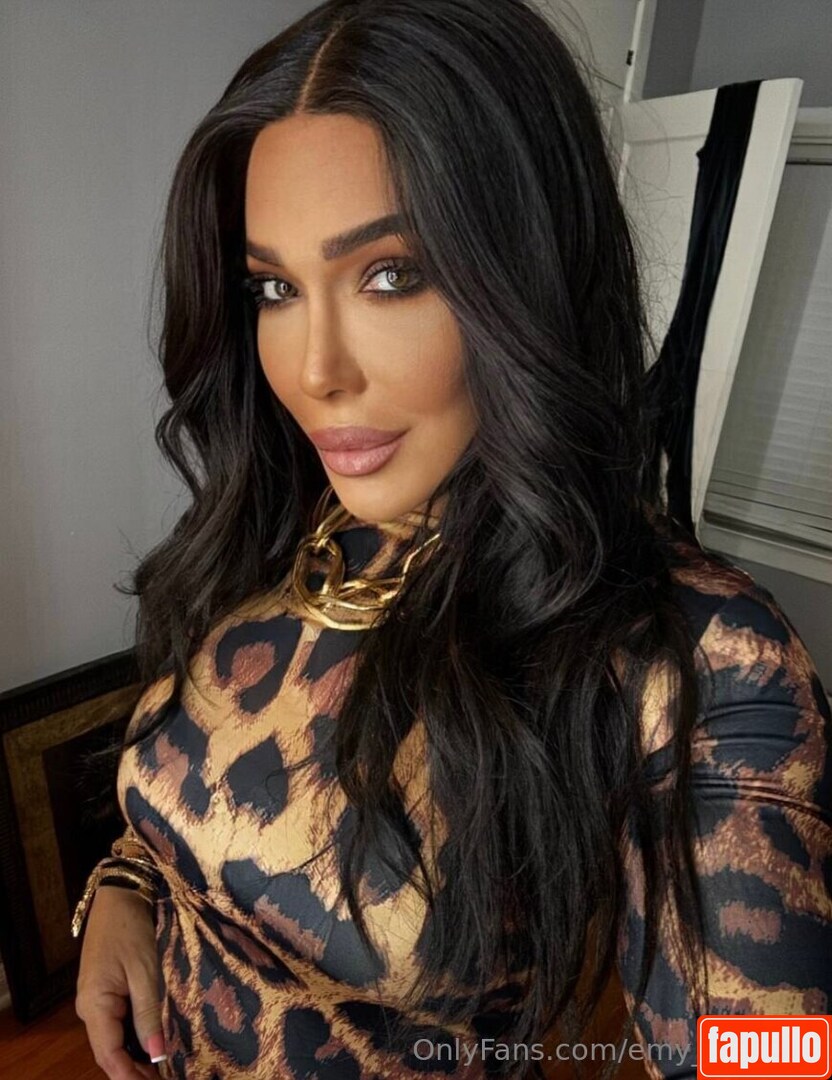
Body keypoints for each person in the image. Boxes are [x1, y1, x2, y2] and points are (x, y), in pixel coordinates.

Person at [71, 1, 832, 1078]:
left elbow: (761, 1051)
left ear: (529, 274)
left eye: (391, 275)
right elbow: (194, 799)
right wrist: (125, 888)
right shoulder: (287, 513)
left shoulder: (697, 655)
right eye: (274, 288)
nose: (314, 372)